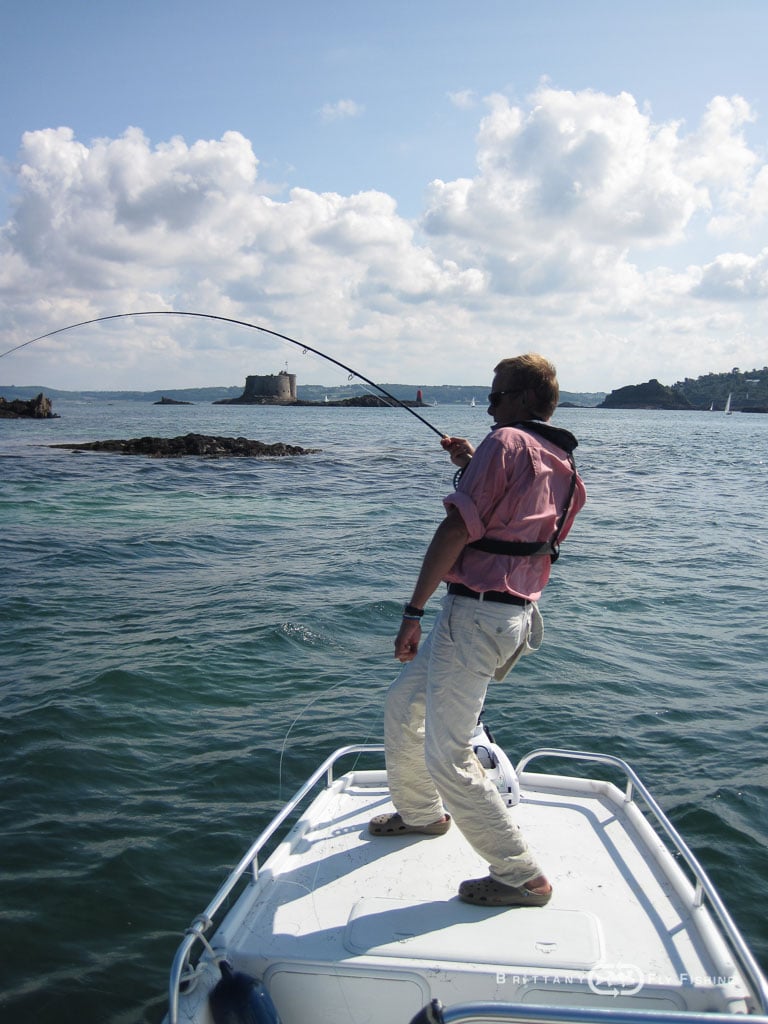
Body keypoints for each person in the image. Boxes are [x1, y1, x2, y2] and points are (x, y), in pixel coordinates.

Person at [369, 354, 587, 907]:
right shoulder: (559, 459)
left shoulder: (507, 443)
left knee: (449, 752)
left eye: (495, 396)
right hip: (498, 615)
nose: (489, 406)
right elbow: (515, 518)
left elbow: (457, 529)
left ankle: (520, 875)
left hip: (477, 615)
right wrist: (471, 462)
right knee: (403, 704)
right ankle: (422, 814)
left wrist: (412, 611)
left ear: (519, 399)